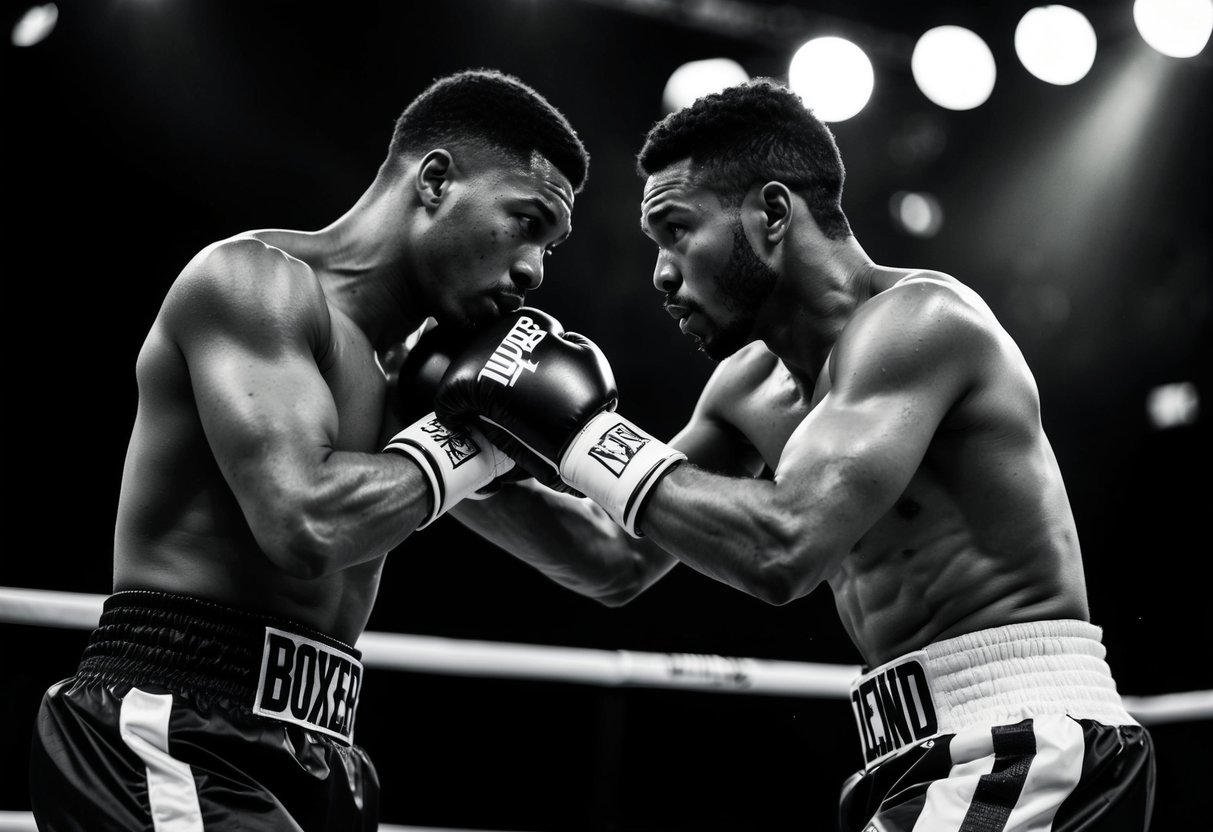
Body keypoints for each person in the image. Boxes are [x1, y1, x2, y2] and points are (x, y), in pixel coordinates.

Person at [429, 78, 1156, 830]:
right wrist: (463, 465)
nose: (661, 275)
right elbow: (614, 558)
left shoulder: (922, 322)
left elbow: (784, 547)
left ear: (771, 213)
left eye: (676, 231)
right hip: (906, 753)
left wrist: (577, 432)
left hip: (1028, 738)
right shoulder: (747, 387)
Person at [27, 68, 589, 831]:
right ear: (434, 180)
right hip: (171, 724)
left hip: (328, 746)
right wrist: (477, 445)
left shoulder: (428, 380)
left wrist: (736, 423)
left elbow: (607, 565)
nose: (533, 271)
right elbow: (305, 523)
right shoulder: (254, 284)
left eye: (551, 246)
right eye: (526, 222)